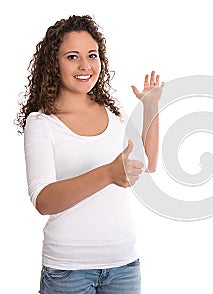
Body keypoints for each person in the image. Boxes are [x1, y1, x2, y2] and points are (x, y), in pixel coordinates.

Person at [16, 15, 163, 294]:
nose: (85, 66)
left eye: (92, 55)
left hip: (124, 267)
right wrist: (108, 173)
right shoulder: (42, 123)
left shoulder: (111, 113)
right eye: (72, 56)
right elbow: (43, 200)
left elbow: (148, 165)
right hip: (68, 271)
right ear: (53, 64)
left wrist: (151, 108)